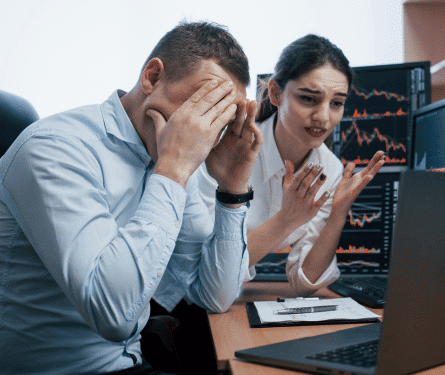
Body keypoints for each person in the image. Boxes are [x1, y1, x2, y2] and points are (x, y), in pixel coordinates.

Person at [0, 21, 262, 375]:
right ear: (153, 77)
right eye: (200, 106)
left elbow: (213, 295)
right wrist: (172, 169)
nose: (204, 131)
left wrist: (232, 189)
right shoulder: (55, 149)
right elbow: (113, 315)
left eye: (219, 119)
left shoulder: (171, 159)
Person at [197, 34, 385, 296]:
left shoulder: (329, 169)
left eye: (337, 103)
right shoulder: (229, 149)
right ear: (275, 93)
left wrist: (337, 216)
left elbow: (303, 282)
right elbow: (203, 271)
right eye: (308, 98)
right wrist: (286, 221)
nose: (323, 117)